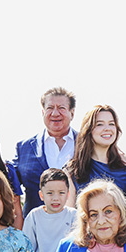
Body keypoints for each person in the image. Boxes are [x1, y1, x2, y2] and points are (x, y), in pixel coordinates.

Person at [11, 87, 78, 217]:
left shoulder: (86, 145)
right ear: (43, 112)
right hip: (36, 230)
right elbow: (8, 184)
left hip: (78, 229)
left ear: (72, 113)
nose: (55, 113)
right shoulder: (24, 148)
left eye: (61, 108)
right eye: (50, 108)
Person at [66, 104, 126, 196]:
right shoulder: (73, 171)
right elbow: (69, 210)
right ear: (88, 130)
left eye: (111, 124)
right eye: (99, 124)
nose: (107, 128)